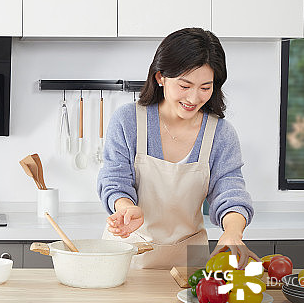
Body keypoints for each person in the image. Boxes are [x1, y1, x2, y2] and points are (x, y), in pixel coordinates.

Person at [97, 27, 256, 270]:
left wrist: (232, 234)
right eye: (185, 85)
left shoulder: (220, 134)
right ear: (160, 77)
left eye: (205, 87)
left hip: (189, 262)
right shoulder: (128, 120)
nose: (193, 98)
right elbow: (114, 179)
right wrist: (127, 209)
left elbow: (230, 191)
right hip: (128, 254)